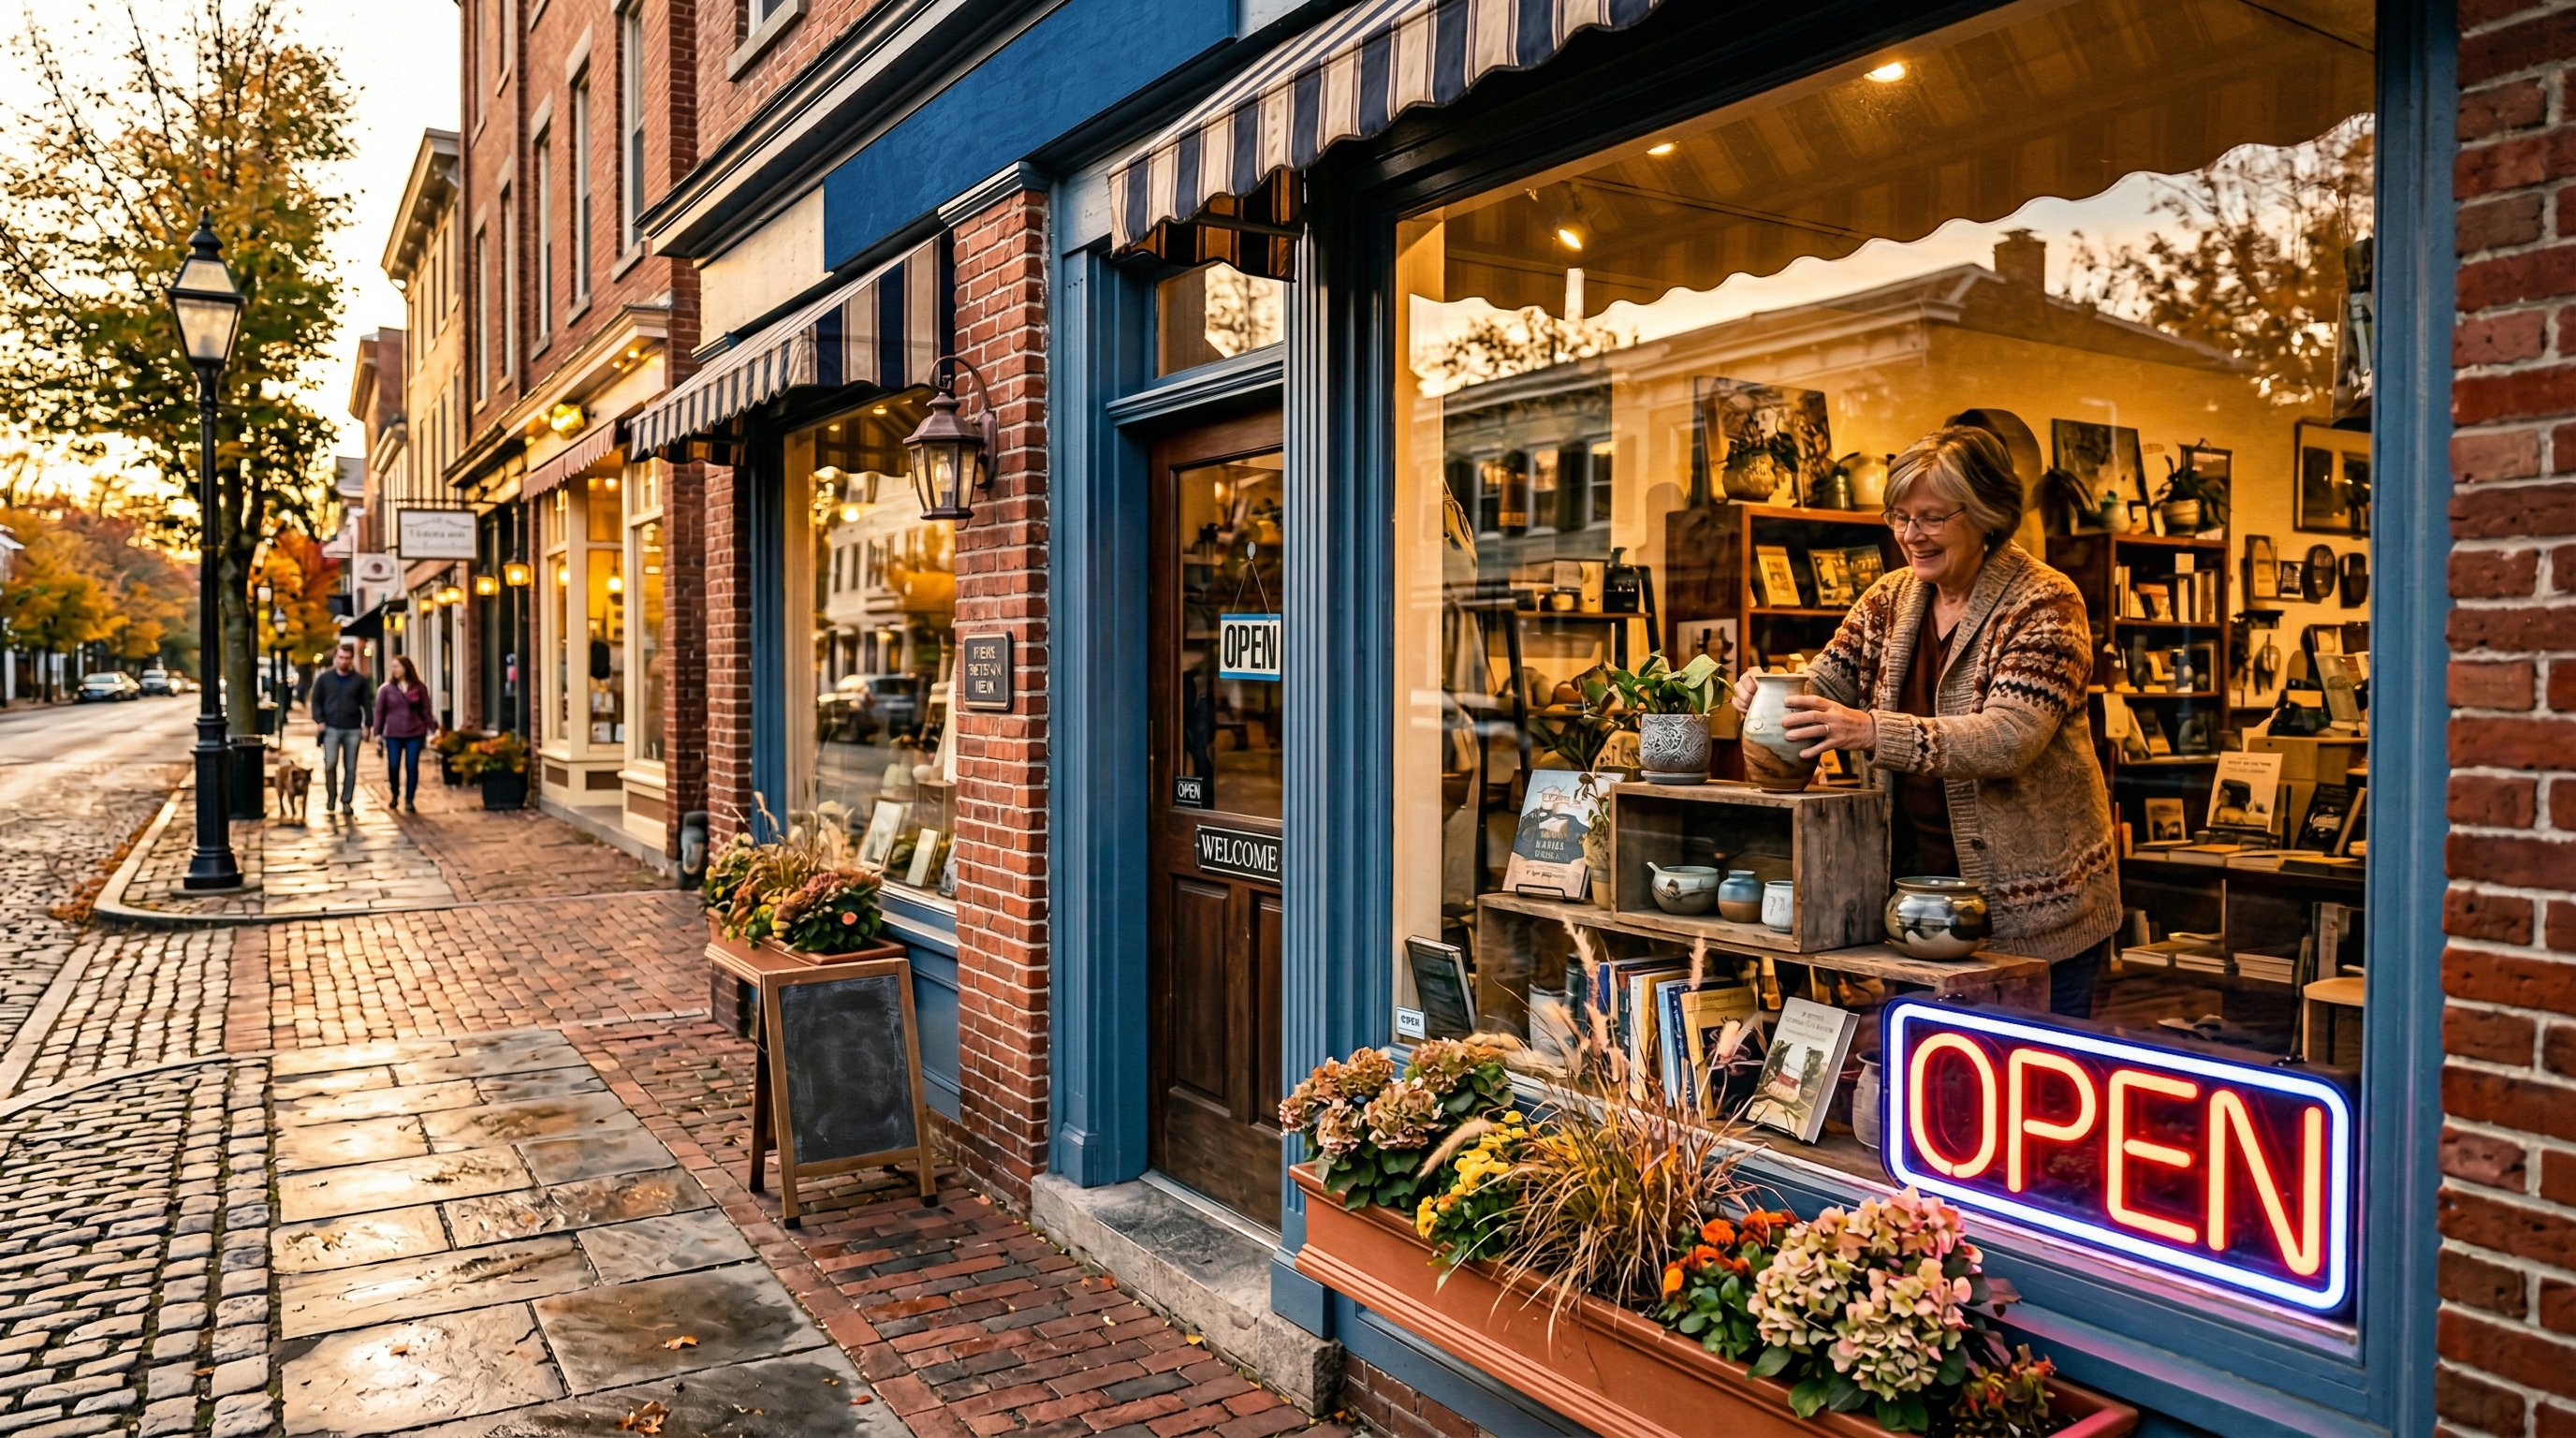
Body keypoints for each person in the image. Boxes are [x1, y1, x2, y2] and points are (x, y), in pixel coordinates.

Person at [1730, 426, 2118, 1015]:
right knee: (1929, 1081)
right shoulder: (1889, 598)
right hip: (1914, 905)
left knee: (2028, 1091)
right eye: (1899, 516)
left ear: (1987, 513)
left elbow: (2009, 739)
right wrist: (1772, 692)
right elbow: (1824, 684)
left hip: (2034, 911)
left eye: (1932, 517)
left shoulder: (2045, 603)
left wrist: (1870, 730)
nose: (1911, 535)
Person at [308, 643, 375, 817]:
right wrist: (319, 720)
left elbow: (367, 704)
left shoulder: (359, 681)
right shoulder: (324, 679)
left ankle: (346, 801)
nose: (344, 661)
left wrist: (367, 725)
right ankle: (331, 798)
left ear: (351, 659)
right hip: (330, 728)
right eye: (341, 658)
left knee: (350, 767)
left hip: (352, 729)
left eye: (347, 658)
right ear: (335, 658)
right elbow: (316, 701)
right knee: (330, 764)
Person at [374, 654, 438, 813]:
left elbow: (426, 709)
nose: (394, 670)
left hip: (415, 732)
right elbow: (380, 712)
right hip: (393, 733)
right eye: (393, 667)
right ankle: (395, 793)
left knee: (411, 765)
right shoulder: (386, 689)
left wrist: (432, 729)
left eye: (397, 666)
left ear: (406, 667)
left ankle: (410, 799)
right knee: (394, 765)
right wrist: (377, 733)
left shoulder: (419, 687)